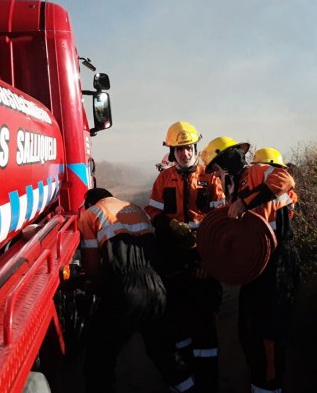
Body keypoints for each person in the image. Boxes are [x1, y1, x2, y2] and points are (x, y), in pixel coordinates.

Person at [200, 138, 299, 393]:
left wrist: (245, 203)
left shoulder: (256, 172)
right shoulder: (233, 187)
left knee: (269, 333)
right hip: (256, 267)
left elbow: (285, 179)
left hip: (278, 264)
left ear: (226, 161)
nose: (216, 175)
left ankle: (270, 386)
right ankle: (258, 383)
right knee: (247, 329)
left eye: (216, 169)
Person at [78, 188, 192, 393]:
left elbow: (92, 266)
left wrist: (94, 286)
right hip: (157, 286)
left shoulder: (91, 214)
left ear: (90, 202)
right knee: (163, 349)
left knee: (100, 355)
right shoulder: (134, 209)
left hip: (126, 290)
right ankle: (188, 388)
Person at [145, 121, 226, 393]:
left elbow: (222, 223)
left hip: (203, 259)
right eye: (179, 149)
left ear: (195, 147)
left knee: (204, 325)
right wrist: (168, 226)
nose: (185, 153)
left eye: (188, 148)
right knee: (177, 323)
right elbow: (154, 214)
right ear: (172, 152)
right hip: (173, 262)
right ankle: (186, 380)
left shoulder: (211, 179)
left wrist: (208, 261)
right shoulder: (163, 180)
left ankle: (207, 385)